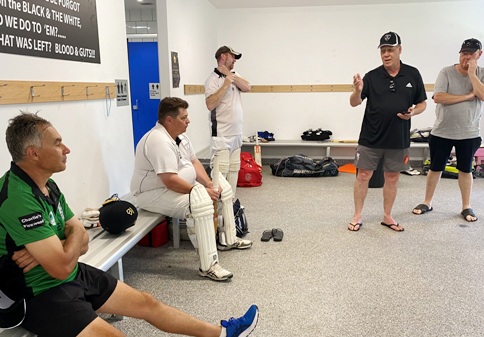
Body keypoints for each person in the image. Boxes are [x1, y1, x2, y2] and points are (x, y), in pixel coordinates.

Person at [0, 112, 259, 337]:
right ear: (33, 153)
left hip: (71, 275)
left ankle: (223, 333)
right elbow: (60, 266)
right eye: (57, 144)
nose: (66, 149)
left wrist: (64, 241)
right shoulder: (17, 199)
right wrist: (65, 243)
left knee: (148, 303)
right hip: (38, 294)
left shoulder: (48, 185)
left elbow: (83, 239)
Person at [130, 97, 252, 282]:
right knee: (200, 203)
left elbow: (194, 162)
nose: (188, 121)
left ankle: (229, 239)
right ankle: (208, 265)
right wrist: (198, 191)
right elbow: (169, 180)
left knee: (222, 189)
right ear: (169, 120)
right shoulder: (158, 140)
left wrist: (210, 185)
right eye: (184, 117)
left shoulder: (181, 136)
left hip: (174, 188)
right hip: (151, 194)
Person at [348, 31, 427, 232]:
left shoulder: (412, 74)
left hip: (398, 139)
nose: (386, 54)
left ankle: (387, 216)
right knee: (363, 175)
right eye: (383, 50)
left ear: (400, 50)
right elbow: (354, 103)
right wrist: (357, 90)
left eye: (390, 50)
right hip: (370, 138)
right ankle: (357, 216)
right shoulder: (372, 76)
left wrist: (413, 112)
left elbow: (422, 103)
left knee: (392, 177)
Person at [412, 38, 484, 222]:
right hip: (442, 131)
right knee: (435, 168)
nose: (466, 57)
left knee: (465, 170)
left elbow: (482, 95)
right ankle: (427, 202)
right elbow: (439, 97)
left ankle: (466, 207)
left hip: (469, 133)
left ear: (479, 55)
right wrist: (468, 95)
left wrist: (472, 74)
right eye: (463, 53)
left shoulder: (481, 74)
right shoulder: (446, 72)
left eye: (470, 54)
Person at [204, 46, 251, 198]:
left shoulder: (234, 75)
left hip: (236, 133)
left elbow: (247, 87)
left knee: (233, 172)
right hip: (221, 135)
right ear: (223, 57)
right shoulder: (212, 79)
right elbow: (210, 104)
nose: (235, 60)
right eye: (233, 57)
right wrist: (225, 84)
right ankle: (218, 213)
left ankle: (230, 208)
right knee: (220, 174)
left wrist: (230, 76)